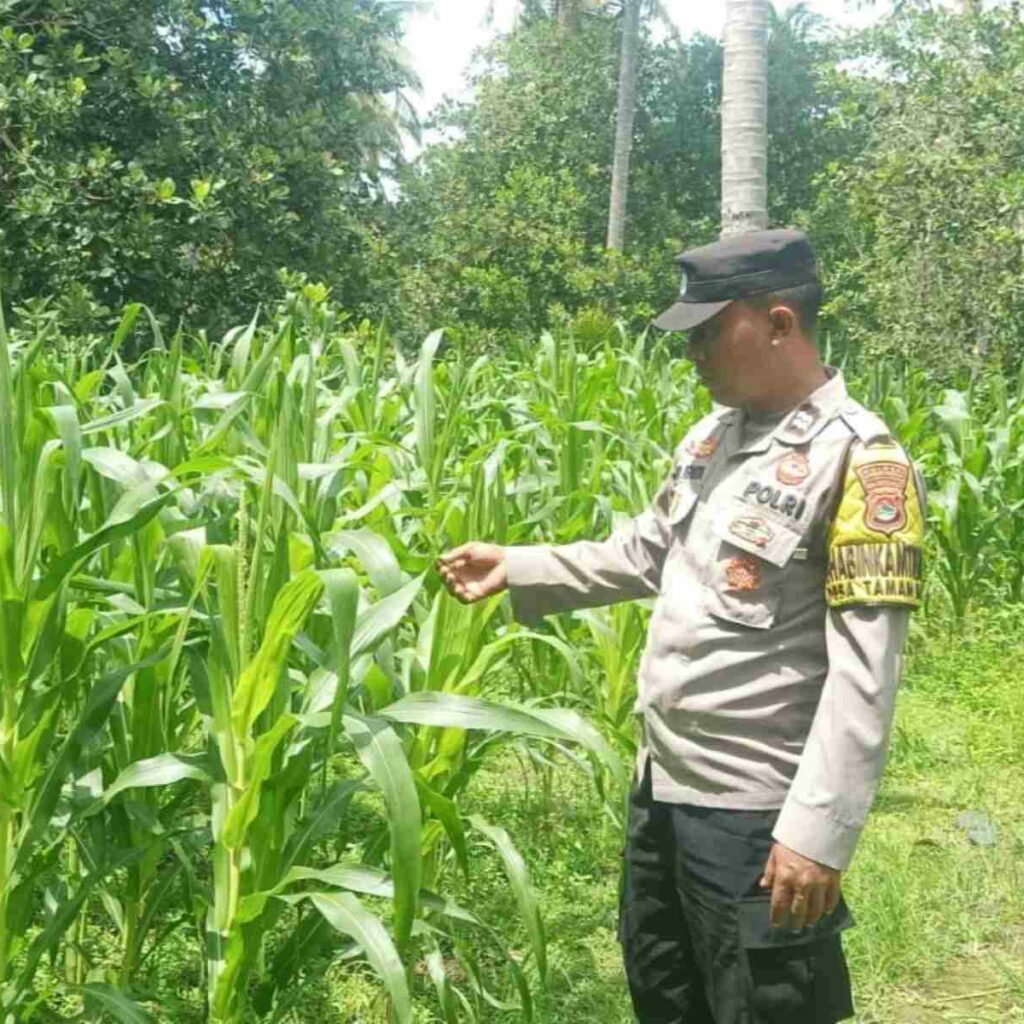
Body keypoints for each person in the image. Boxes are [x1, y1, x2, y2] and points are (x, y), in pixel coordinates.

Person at [435, 228, 926, 1024]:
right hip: (662, 790)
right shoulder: (712, 438)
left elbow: (866, 675)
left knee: (762, 1008)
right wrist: (518, 565)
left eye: (709, 331)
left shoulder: (861, 464)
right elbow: (646, 551)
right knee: (665, 993)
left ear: (778, 323)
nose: (692, 351)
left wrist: (817, 833)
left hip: (757, 814)